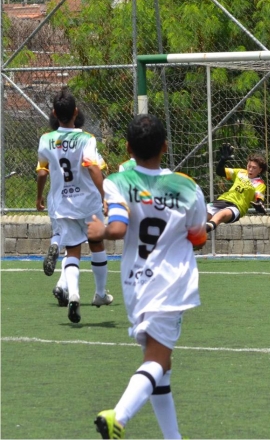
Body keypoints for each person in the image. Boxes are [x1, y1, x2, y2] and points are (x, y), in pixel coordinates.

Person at [87, 114, 207, 440]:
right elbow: (198, 238)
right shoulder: (187, 186)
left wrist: (102, 230)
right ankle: (119, 416)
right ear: (165, 146)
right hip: (171, 284)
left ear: (127, 147)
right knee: (158, 359)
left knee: (161, 365)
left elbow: (119, 227)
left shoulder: (118, 181)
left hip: (135, 283)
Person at [36, 88, 112, 322]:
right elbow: (92, 166)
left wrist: (39, 197)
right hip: (88, 202)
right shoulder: (86, 138)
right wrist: (105, 194)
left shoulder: (46, 139)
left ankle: (74, 295)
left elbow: (42, 172)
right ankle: (99, 294)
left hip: (63, 203)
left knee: (72, 251)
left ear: (54, 114)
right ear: (76, 112)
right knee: (96, 244)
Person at [205, 143, 267, 233]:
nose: (250, 169)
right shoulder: (240, 172)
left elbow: (258, 199)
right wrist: (222, 160)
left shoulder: (260, 184)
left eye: (254, 168)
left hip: (236, 207)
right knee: (200, 217)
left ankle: (202, 232)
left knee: (220, 215)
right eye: (249, 166)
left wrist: (259, 205)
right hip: (222, 200)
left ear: (260, 170)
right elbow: (220, 172)